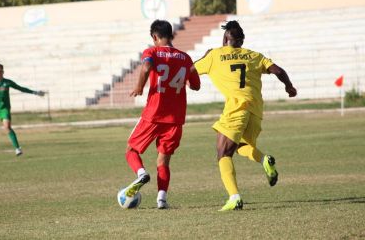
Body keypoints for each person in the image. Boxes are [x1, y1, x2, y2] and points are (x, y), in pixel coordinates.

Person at [194, 20, 297, 211]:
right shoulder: (254, 56)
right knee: (241, 146)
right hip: (256, 110)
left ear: (226, 37)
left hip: (236, 108)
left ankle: (234, 197)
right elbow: (278, 70)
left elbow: (190, 71)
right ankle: (264, 159)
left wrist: (204, 55)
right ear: (242, 40)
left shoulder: (215, 55)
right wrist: (289, 87)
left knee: (223, 153)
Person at [123, 19, 200, 209]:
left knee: (131, 150)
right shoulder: (186, 58)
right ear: (171, 35)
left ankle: (141, 173)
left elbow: (147, 66)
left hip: (154, 113)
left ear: (155, 37)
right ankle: (161, 200)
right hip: (176, 118)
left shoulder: (152, 52)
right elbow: (196, 86)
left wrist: (139, 87)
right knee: (163, 159)